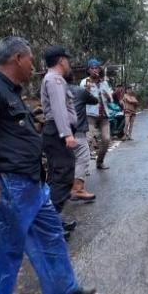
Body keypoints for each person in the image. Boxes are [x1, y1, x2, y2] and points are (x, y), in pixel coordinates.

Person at [0, 37, 95, 294]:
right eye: (30, 59)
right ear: (18, 58)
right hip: (7, 184)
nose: (32, 65)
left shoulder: (11, 91)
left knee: (51, 237)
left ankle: (65, 289)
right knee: (3, 253)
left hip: (31, 184)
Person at [40, 45, 80, 235]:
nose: (68, 63)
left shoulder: (54, 79)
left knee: (57, 176)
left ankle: (52, 220)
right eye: (67, 59)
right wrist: (67, 134)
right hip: (58, 133)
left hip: (56, 132)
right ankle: (49, 224)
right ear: (61, 60)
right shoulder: (55, 80)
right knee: (63, 176)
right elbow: (59, 109)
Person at [66, 71, 97, 201]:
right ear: (73, 78)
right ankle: (77, 189)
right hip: (77, 131)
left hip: (58, 131)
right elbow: (94, 101)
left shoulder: (56, 90)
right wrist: (88, 90)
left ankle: (65, 190)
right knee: (83, 157)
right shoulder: (79, 91)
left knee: (66, 161)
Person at [80, 59, 113, 170]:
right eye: (92, 68)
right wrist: (87, 91)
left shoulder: (104, 82)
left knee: (106, 139)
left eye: (96, 68)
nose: (94, 70)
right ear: (88, 70)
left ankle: (100, 162)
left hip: (104, 115)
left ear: (99, 69)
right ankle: (83, 167)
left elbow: (111, 100)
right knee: (88, 140)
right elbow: (80, 99)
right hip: (90, 115)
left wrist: (108, 96)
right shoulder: (84, 82)